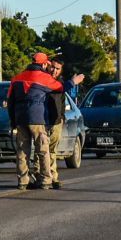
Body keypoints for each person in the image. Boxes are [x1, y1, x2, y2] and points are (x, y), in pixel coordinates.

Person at [6, 52, 63, 190]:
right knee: (43, 149)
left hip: (20, 118)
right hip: (37, 118)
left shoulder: (16, 78)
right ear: (44, 64)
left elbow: (10, 101)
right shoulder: (44, 77)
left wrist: (13, 121)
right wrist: (74, 81)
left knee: (22, 150)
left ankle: (23, 181)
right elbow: (60, 88)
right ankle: (45, 180)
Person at [40, 58, 86, 190]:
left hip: (56, 121)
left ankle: (53, 177)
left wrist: (62, 117)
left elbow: (61, 97)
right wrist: (72, 82)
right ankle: (42, 176)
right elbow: (57, 89)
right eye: (52, 67)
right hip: (43, 121)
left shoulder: (60, 82)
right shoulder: (44, 80)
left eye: (57, 68)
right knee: (42, 151)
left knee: (52, 151)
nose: (54, 70)